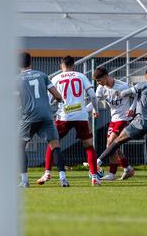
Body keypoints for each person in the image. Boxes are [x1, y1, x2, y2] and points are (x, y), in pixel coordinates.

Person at [37, 55, 101, 186]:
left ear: (61, 65)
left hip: (63, 116)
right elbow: (93, 95)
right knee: (89, 146)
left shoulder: (56, 78)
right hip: (81, 116)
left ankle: (47, 173)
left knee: (53, 143)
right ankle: (94, 176)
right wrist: (96, 109)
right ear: (74, 65)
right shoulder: (80, 76)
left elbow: (48, 100)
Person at [17, 52, 69, 188]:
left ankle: (24, 181)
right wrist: (58, 101)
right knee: (55, 146)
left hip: (29, 116)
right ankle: (63, 179)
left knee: (19, 147)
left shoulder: (16, 79)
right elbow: (58, 96)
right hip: (46, 115)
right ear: (31, 62)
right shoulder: (42, 75)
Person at [86, 67, 135, 181]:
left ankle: (99, 163)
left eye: (99, 80)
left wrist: (132, 109)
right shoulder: (101, 88)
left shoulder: (123, 86)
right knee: (114, 147)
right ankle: (126, 169)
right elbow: (94, 102)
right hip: (113, 120)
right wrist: (89, 110)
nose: (98, 83)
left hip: (124, 119)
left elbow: (136, 96)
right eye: (97, 81)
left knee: (110, 144)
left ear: (106, 76)